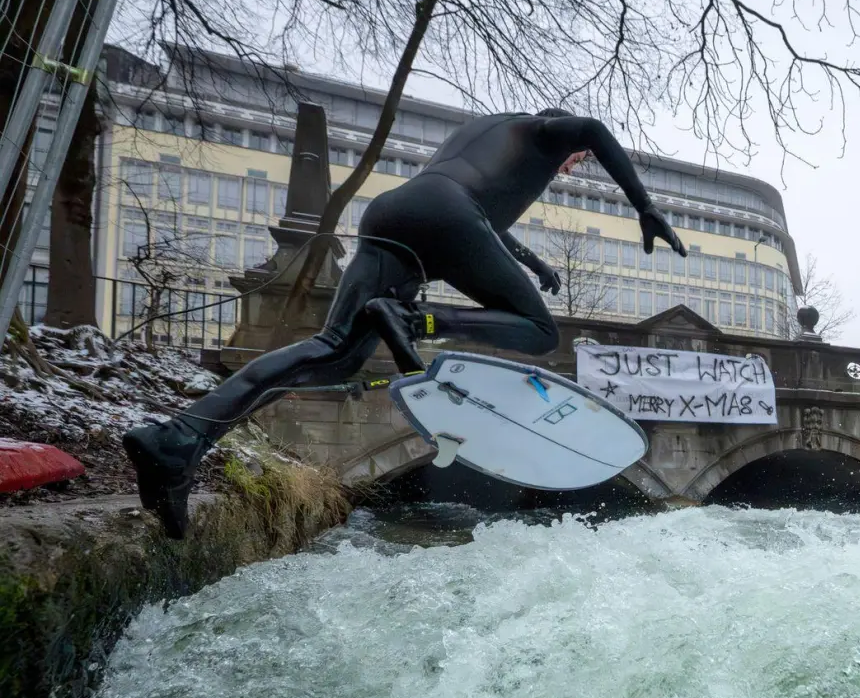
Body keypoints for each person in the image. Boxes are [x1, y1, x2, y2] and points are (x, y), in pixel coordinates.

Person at [122, 108, 687, 540]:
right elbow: (591, 128)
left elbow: (474, 211)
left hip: (395, 213)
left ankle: (179, 439)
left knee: (333, 351)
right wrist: (644, 204)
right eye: (577, 159)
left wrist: (532, 261)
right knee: (539, 332)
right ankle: (416, 319)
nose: (575, 164)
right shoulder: (545, 132)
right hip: (445, 220)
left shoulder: (486, 133)